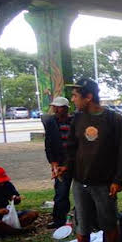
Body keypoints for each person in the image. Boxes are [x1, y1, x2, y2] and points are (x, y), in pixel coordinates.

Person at [56, 78, 122, 242]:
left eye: (75, 96)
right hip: (81, 183)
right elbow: (72, 149)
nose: (73, 100)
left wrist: (118, 179)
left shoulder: (114, 120)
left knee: (109, 222)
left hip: (105, 183)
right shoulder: (77, 120)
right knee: (82, 224)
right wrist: (65, 166)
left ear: (88, 97)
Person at [42, 96, 73, 229]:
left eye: (58, 107)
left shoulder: (75, 121)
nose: (55, 109)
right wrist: (53, 163)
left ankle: (86, 218)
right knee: (61, 193)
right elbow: (48, 144)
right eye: (54, 107)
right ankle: (59, 220)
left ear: (65, 108)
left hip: (76, 161)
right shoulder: (51, 122)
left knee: (84, 191)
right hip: (60, 162)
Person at [0, 167, 39, 237]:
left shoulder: (7, 184)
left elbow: (16, 201)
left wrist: (16, 199)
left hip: (6, 213)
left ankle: (7, 230)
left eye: (3, 181)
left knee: (32, 213)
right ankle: (16, 231)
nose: (1, 184)